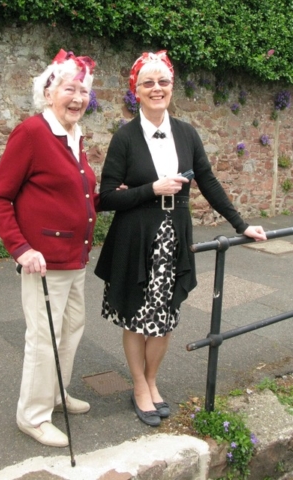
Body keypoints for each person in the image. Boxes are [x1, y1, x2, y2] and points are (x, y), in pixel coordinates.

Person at [94, 50, 267, 427]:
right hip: (136, 237)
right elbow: (105, 198)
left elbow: (208, 181)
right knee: (136, 316)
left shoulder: (187, 133)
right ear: (135, 91)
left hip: (174, 236)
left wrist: (241, 224)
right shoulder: (124, 138)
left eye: (164, 82)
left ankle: (152, 381)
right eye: (148, 83)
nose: (157, 89)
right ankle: (139, 386)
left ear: (172, 87)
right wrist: (150, 189)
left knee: (166, 315)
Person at [0, 49, 100, 447]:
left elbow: (77, 195)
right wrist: (20, 248)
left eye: (84, 91)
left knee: (70, 330)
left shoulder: (74, 135)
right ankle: (32, 416)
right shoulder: (33, 132)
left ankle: (54, 394)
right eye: (70, 88)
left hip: (75, 258)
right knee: (44, 336)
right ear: (49, 91)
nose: (78, 97)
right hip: (44, 262)